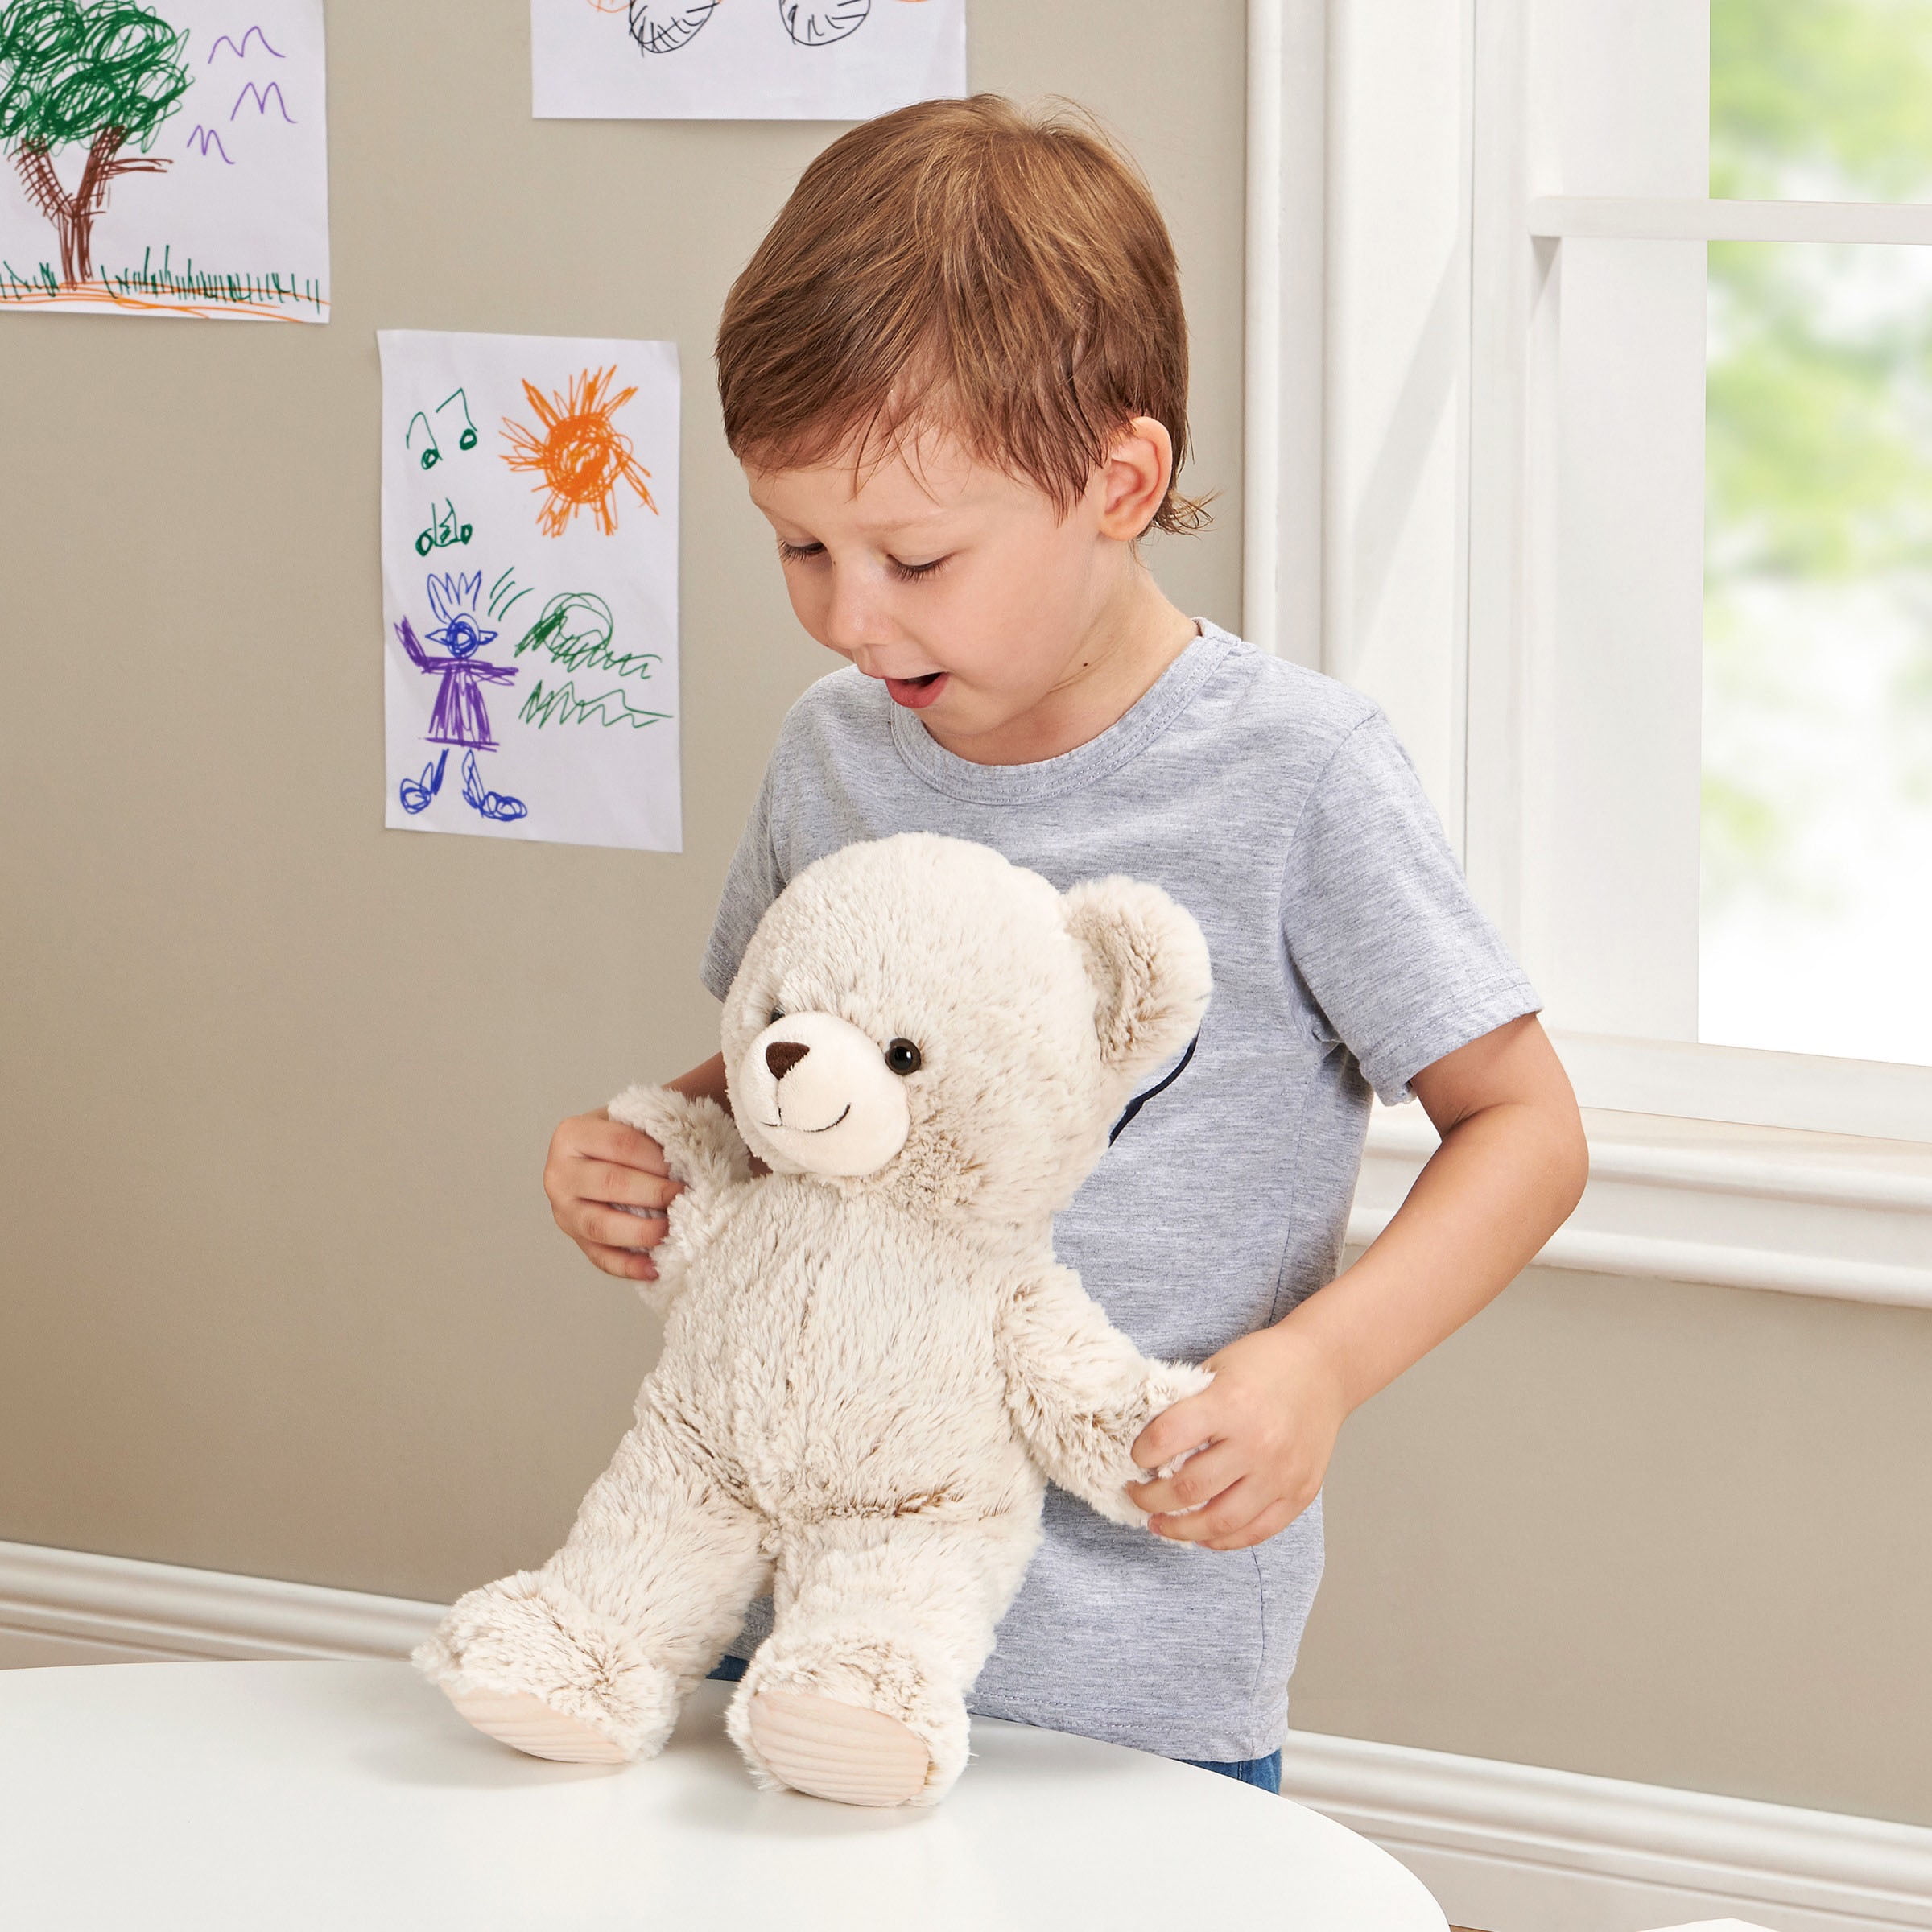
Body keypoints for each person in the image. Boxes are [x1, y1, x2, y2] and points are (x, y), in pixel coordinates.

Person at [542, 96, 1587, 1793]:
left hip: (1133, 1666)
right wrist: (653, 1152)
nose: (848, 614)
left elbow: (1528, 1128)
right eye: (799, 545)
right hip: (807, 1624)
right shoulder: (832, 753)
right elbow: (812, 1091)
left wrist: (1318, 1370)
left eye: (915, 556)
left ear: (1119, 480)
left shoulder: (1296, 774)